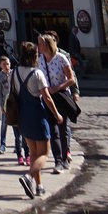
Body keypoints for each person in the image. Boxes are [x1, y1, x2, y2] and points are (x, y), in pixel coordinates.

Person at [11, 40, 63, 200]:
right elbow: (46, 97)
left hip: (23, 115)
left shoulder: (15, 72)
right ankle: (28, 177)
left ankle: (39, 186)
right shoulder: (37, 73)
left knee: (33, 152)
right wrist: (56, 114)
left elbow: (13, 93)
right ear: (34, 56)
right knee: (44, 153)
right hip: (37, 114)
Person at [38, 33, 75, 172]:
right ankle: (58, 161)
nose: (38, 46)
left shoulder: (61, 58)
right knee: (53, 130)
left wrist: (58, 87)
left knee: (63, 127)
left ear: (47, 45)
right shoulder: (40, 59)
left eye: (41, 44)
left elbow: (71, 79)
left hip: (61, 96)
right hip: (47, 97)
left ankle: (65, 158)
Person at [0, 56, 26, 163]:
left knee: (17, 127)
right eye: (4, 64)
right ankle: (2, 144)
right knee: (4, 124)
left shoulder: (14, 73)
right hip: (6, 104)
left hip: (15, 104)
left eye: (8, 64)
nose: (7, 66)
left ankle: (18, 146)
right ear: (0, 65)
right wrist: (1, 105)